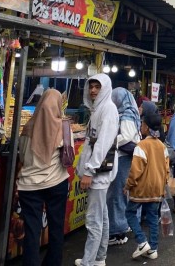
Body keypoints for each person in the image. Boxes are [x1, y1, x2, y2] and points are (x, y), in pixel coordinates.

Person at [17, 89, 69, 266]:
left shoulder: (28, 128)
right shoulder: (62, 127)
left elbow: (22, 157)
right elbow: (67, 156)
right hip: (56, 183)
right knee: (56, 227)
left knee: (32, 230)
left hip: (29, 186)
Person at [75, 74, 119, 266]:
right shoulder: (97, 109)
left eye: (97, 87)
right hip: (99, 172)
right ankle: (99, 258)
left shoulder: (108, 109)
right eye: (91, 86)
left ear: (105, 88)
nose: (93, 90)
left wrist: (89, 171)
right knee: (101, 215)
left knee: (93, 220)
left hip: (99, 173)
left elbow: (102, 144)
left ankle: (88, 262)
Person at [124, 112, 169, 260]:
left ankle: (142, 241)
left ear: (147, 127)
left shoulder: (141, 145)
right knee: (152, 218)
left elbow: (135, 171)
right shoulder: (162, 146)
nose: (141, 126)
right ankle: (153, 249)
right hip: (157, 189)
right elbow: (167, 170)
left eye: (142, 124)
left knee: (130, 213)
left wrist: (128, 185)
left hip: (141, 189)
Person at [107, 88, 142, 246]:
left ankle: (117, 230)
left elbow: (127, 136)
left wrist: (108, 140)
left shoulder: (126, 114)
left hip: (122, 159)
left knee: (118, 195)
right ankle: (124, 224)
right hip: (126, 158)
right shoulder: (131, 112)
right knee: (123, 193)